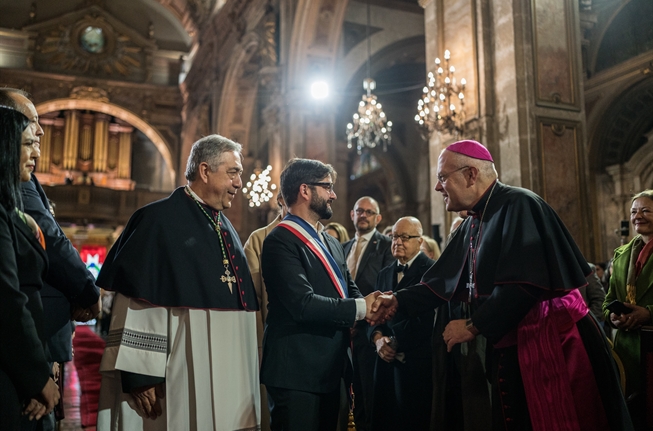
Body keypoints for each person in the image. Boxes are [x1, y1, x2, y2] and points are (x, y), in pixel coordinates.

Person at [372, 140, 633, 430]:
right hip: (512, 341)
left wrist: (472, 325)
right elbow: (440, 281)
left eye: (442, 177)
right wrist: (398, 300)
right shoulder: (473, 221)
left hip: (553, 340)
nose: (437, 187)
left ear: (471, 174)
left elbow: (524, 285)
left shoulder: (521, 204)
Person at [96, 135, 260, 431]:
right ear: (205, 171)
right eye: (233, 172)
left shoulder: (224, 226)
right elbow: (138, 299)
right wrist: (140, 374)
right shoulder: (157, 220)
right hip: (174, 376)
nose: (239, 183)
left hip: (228, 373)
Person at [1, 88, 101, 430]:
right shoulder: (10, 203)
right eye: (29, 135)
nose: (40, 141)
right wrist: (34, 374)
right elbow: (9, 299)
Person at [260, 158, 382, 431]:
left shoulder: (331, 242)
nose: (333, 195)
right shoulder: (280, 241)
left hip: (332, 369)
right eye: (327, 187)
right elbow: (302, 304)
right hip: (296, 373)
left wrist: (377, 306)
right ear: (305, 190)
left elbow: (349, 290)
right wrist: (362, 308)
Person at [0, 105, 60, 430]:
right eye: (27, 144)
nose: (36, 152)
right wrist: (37, 376)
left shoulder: (8, 210)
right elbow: (8, 300)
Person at [369, 217, 435, 431]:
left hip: (415, 363)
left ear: (420, 241)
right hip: (384, 361)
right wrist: (378, 339)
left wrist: (395, 340)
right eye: (394, 237)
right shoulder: (384, 273)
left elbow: (429, 318)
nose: (397, 242)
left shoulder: (431, 271)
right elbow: (373, 314)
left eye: (405, 237)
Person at [342, 196, 393, 431]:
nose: (363, 215)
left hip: (369, 330)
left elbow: (385, 288)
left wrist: (361, 317)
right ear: (352, 215)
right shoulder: (343, 247)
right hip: (344, 329)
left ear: (378, 218)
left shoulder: (385, 246)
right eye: (359, 211)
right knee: (350, 397)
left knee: (369, 396)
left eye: (369, 212)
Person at [603, 189, 653, 427]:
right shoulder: (621, 255)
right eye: (634, 212)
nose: (637, 216)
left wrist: (649, 313)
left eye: (646, 210)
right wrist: (612, 316)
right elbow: (607, 301)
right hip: (627, 353)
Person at [244, 193, 288, 431]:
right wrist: (259, 347)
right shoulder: (259, 239)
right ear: (281, 199)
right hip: (273, 349)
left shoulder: (323, 238)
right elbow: (252, 300)